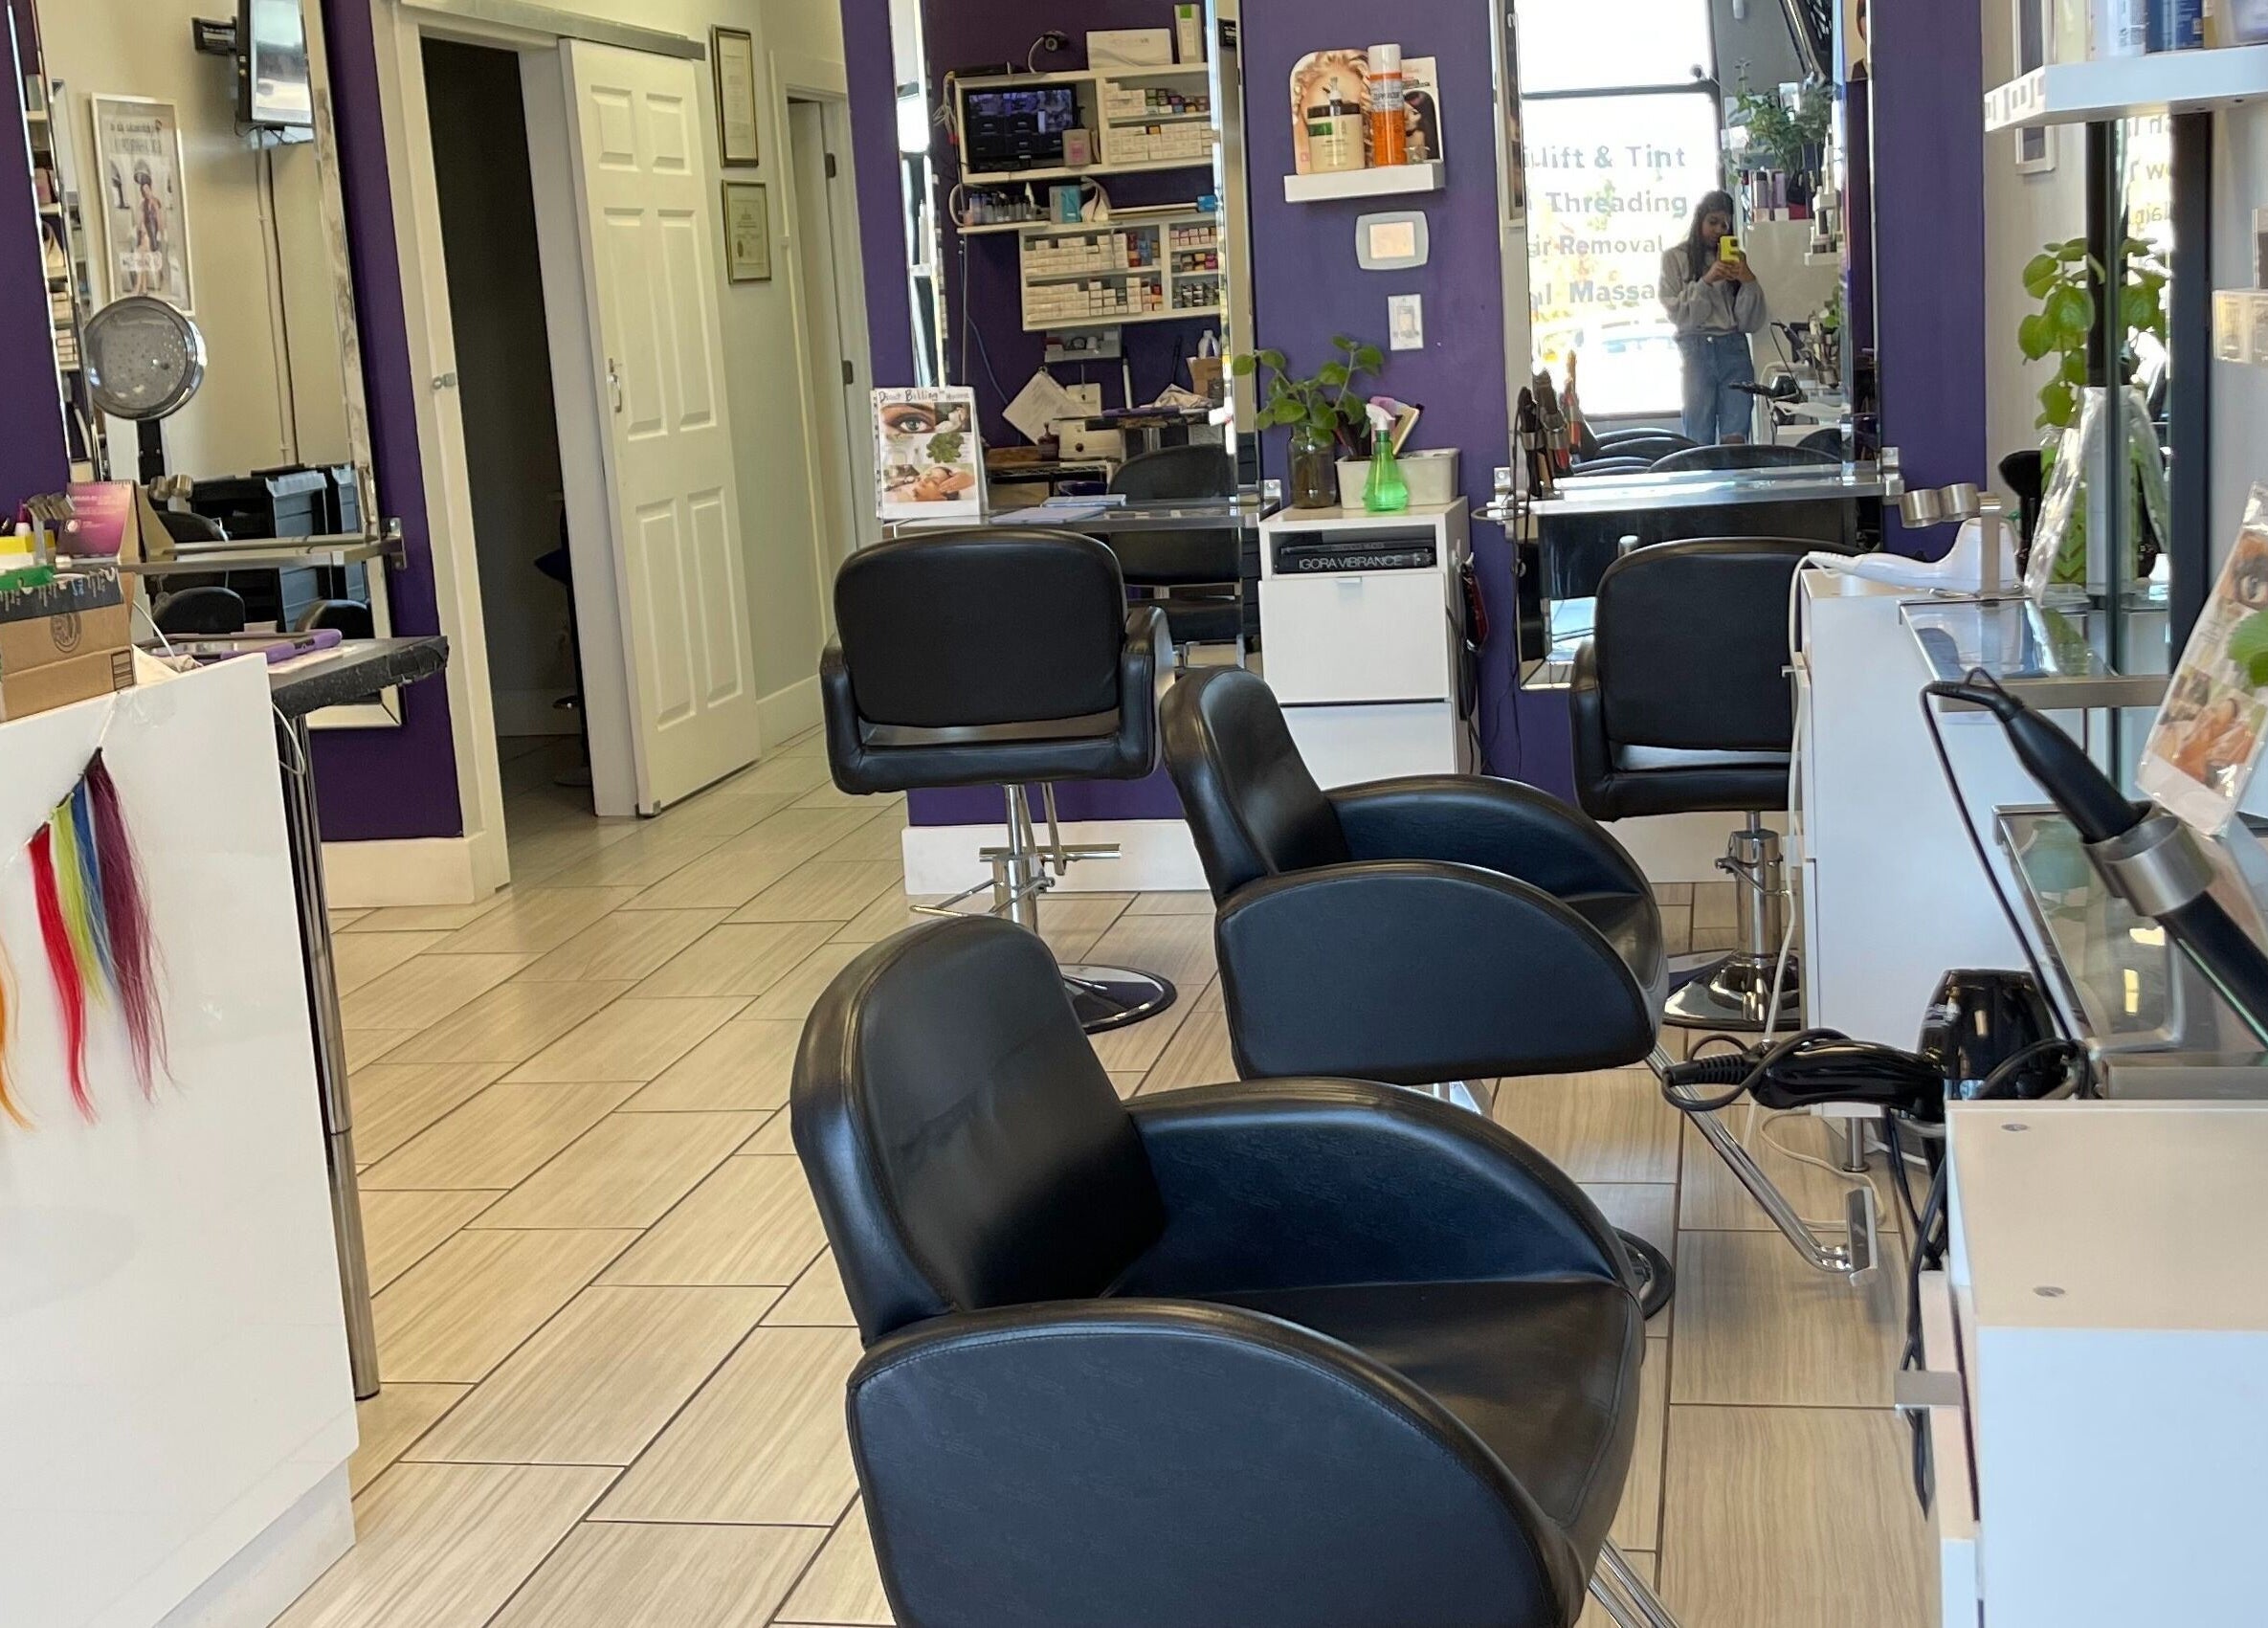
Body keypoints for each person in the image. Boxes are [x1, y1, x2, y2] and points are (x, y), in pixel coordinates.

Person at [1659, 191, 1767, 445]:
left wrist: (1748, 280)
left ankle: (1738, 484)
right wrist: (1707, 281)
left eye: (1725, 224)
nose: (1718, 229)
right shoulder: (1675, 258)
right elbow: (1679, 315)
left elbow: (1749, 322)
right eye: (1713, 222)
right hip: (1696, 349)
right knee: (1698, 438)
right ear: (1699, 221)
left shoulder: (1735, 259)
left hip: (1734, 347)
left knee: (1736, 435)